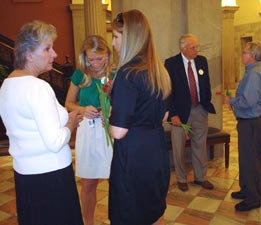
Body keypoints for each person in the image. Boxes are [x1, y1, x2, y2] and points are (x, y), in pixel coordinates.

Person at [0, 20, 84, 225]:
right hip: (51, 178)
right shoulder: (38, 87)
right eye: (47, 48)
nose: (54, 54)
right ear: (28, 54)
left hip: (25, 176)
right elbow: (54, 142)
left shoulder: (7, 86)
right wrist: (70, 123)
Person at [108, 10, 171, 225]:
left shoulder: (127, 73)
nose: (113, 43)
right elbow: (164, 115)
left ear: (130, 38)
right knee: (154, 212)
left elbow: (118, 131)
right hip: (157, 150)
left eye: (116, 37)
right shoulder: (158, 71)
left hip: (133, 157)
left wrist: (110, 117)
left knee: (130, 214)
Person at [65, 35, 113, 225]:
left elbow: (123, 103)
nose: (95, 63)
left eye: (99, 58)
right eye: (90, 59)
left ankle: (117, 218)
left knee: (115, 181)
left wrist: (112, 111)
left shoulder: (115, 74)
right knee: (88, 183)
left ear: (107, 55)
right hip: (87, 131)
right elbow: (68, 103)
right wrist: (83, 109)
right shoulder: (80, 75)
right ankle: (89, 222)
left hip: (110, 130)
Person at [164, 34, 216, 191]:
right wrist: (173, 114)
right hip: (180, 114)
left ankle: (201, 177)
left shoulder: (202, 61)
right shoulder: (171, 63)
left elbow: (206, 84)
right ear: (183, 48)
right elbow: (168, 91)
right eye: (193, 47)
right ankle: (181, 179)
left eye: (196, 47)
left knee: (200, 145)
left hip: (200, 110)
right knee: (178, 148)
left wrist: (205, 103)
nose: (196, 50)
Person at [225, 42, 261, 211]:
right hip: (249, 123)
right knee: (246, 159)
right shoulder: (253, 71)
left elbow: (248, 101)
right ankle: (246, 189)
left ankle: (253, 199)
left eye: (244, 52)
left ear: (253, 56)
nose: (241, 55)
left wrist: (232, 101)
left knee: (251, 161)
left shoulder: (254, 74)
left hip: (251, 124)